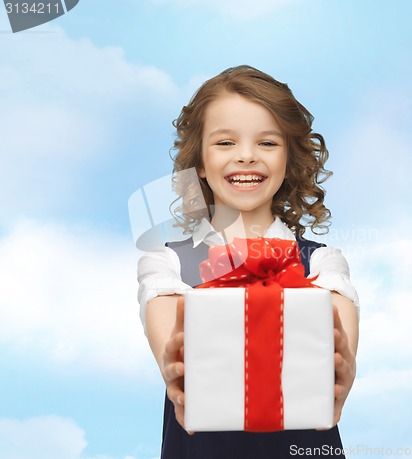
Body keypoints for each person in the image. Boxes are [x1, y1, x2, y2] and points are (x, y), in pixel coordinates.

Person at [137, 65, 359, 459]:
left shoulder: (323, 263)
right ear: (200, 164)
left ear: (289, 161)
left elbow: (336, 348)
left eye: (267, 143)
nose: (246, 156)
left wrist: (341, 361)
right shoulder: (167, 262)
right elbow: (169, 341)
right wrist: (175, 358)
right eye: (225, 143)